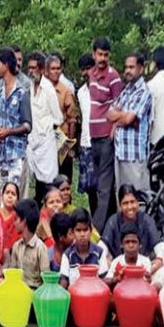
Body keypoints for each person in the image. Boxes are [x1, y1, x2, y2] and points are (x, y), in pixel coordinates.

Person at [88, 37, 123, 232]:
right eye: (100, 54)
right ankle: (111, 228)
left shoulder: (113, 76)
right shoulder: (92, 74)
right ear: (94, 54)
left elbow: (120, 103)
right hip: (94, 137)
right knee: (102, 187)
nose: (102, 58)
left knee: (104, 185)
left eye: (106, 55)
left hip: (106, 138)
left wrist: (114, 128)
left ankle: (96, 231)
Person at [108, 53, 153, 195]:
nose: (128, 70)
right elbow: (109, 114)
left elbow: (129, 119)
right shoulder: (126, 91)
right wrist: (124, 118)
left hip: (135, 156)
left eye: (132, 67)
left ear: (140, 68)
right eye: (126, 67)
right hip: (120, 153)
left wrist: (120, 119)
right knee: (122, 199)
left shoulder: (144, 92)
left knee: (138, 200)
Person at [0, 48, 32, 191]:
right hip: (2, 152)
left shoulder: (22, 92)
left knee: (14, 192)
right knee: (2, 190)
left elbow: (28, 125)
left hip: (16, 152)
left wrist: (8, 132)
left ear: (6, 65)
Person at [26, 52, 63, 203]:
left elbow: (58, 118)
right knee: (34, 184)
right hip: (32, 141)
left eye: (34, 68)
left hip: (46, 142)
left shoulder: (48, 89)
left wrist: (47, 127)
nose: (30, 71)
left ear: (42, 69)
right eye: (29, 68)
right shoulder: (29, 87)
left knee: (48, 182)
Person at [101, 185, 161, 263]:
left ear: (137, 203)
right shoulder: (113, 221)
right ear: (120, 206)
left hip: (144, 266)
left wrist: (155, 265)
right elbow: (102, 246)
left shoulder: (146, 220)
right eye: (125, 203)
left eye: (132, 202)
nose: (130, 207)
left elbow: (159, 247)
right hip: (119, 266)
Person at [46, 54, 78, 183]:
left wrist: (69, 146)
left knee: (63, 179)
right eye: (53, 69)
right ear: (46, 71)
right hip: (46, 141)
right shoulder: (41, 89)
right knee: (47, 179)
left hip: (62, 142)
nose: (56, 72)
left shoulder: (66, 91)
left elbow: (72, 119)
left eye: (58, 68)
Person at [58, 208, 109, 288]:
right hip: (74, 297)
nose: (82, 234)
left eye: (85, 230)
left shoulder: (99, 253)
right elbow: (64, 281)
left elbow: (104, 280)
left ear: (91, 230)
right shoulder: (68, 255)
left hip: (95, 296)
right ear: (72, 232)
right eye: (78, 230)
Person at [7, 198, 49, 289]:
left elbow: (46, 281)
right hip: (18, 292)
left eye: (16, 219)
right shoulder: (16, 246)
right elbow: (12, 274)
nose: (14, 223)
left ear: (24, 221)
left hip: (35, 294)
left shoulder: (40, 248)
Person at [76, 54, 98, 210]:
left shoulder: (103, 89)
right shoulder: (81, 92)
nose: (86, 73)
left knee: (103, 187)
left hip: (101, 142)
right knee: (90, 187)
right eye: (83, 70)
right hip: (85, 143)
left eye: (88, 68)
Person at [105, 223, 152, 288]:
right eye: (127, 242)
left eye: (134, 242)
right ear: (121, 245)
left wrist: (148, 280)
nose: (131, 245)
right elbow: (106, 281)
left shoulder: (145, 262)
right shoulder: (117, 261)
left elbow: (147, 282)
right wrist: (116, 279)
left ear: (140, 245)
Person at [0, 181, 21, 260]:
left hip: (13, 257)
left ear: (17, 199)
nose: (10, 196)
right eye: (7, 193)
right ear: (1, 196)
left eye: (13, 194)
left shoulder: (19, 218)